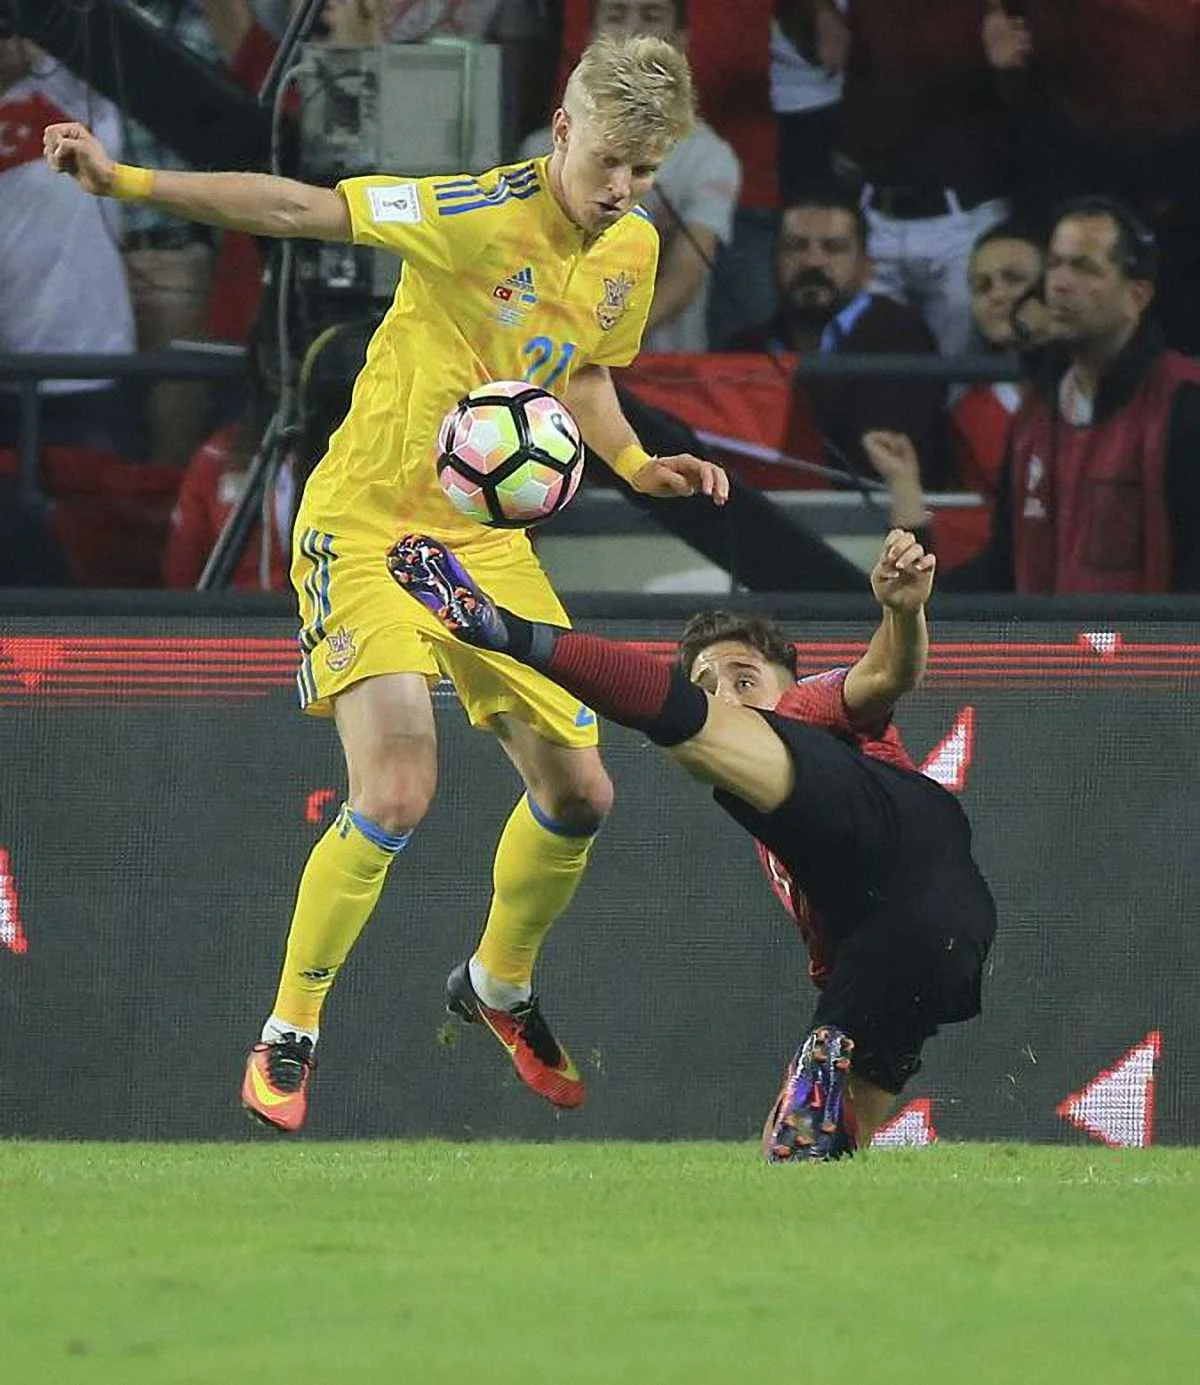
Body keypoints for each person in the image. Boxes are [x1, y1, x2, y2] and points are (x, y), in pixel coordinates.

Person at [45, 33, 729, 1132]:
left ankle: (498, 985)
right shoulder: (468, 212)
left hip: (482, 541)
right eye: (609, 162)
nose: (622, 191)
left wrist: (643, 463)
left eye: (645, 173)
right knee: (400, 787)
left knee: (582, 793)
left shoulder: (630, 248)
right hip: (367, 525)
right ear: (562, 128)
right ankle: (288, 1030)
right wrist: (126, 180)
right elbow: (295, 211)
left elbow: (587, 370)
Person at [386, 528, 997, 1160]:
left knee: (697, 726)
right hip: (927, 938)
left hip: (904, 828)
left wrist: (903, 613)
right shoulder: (783, 833)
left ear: (791, 677)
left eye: (743, 678)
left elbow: (888, 671)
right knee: (797, 1157)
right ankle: (825, 1071)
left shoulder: (812, 704)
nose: (725, 696)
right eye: (707, 683)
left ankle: (505, 630)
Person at [861, 197, 1200, 593]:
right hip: (1047, 653)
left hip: (1152, 653)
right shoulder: (1036, 415)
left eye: (1084, 268)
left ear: (1137, 295)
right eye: (1055, 264)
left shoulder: (1184, 403)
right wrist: (923, 596)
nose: (1059, 283)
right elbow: (1005, 566)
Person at [520, 1, 742, 353]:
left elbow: (687, 272)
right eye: (616, 16)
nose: (632, 30)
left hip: (664, 367)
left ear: (680, 39)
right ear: (592, 35)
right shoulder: (541, 147)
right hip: (550, 358)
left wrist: (605, 345)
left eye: (651, 16)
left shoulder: (709, 156)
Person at [730, 189, 947, 489]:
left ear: (867, 268)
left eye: (833, 248)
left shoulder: (904, 338)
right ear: (774, 259)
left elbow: (877, 463)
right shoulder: (743, 349)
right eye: (796, 247)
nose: (813, 261)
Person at [0, 35, 136, 455]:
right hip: (9, 369)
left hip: (93, 363)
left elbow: (96, 25)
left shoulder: (80, 88)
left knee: (93, 515)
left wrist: (38, 36)